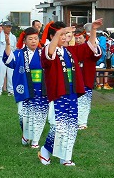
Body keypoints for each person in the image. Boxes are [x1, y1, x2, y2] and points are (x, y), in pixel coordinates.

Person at [39, 19, 102, 166]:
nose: (65, 37)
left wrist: (93, 30)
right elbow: (48, 58)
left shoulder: (69, 51)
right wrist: (59, 34)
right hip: (58, 93)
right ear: (52, 37)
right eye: (61, 35)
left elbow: (89, 47)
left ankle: (65, 157)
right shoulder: (48, 50)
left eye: (66, 34)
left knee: (71, 126)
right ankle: (46, 151)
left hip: (72, 93)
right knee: (59, 126)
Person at [2, 27, 48, 147]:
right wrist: (7, 44)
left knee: (40, 115)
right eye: (30, 39)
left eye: (36, 38)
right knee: (24, 116)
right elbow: (8, 61)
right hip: (25, 89)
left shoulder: (43, 53)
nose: (33, 41)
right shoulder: (19, 54)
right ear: (25, 41)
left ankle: (35, 141)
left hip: (41, 89)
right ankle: (26, 134)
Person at [74, 25, 102, 130]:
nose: (77, 40)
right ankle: (76, 120)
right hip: (75, 79)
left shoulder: (89, 47)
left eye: (79, 38)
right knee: (75, 101)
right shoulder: (73, 48)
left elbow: (98, 54)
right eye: (76, 38)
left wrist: (93, 42)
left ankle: (82, 122)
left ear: (85, 37)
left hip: (86, 78)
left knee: (84, 101)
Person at [0, 21, 17, 96]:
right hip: (1, 57)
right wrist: (0, 55)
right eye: (7, 26)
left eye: (10, 27)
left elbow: (14, 48)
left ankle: (11, 90)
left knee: (11, 75)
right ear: (3, 27)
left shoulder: (13, 37)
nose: (9, 28)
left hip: (10, 58)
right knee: (0, 75)